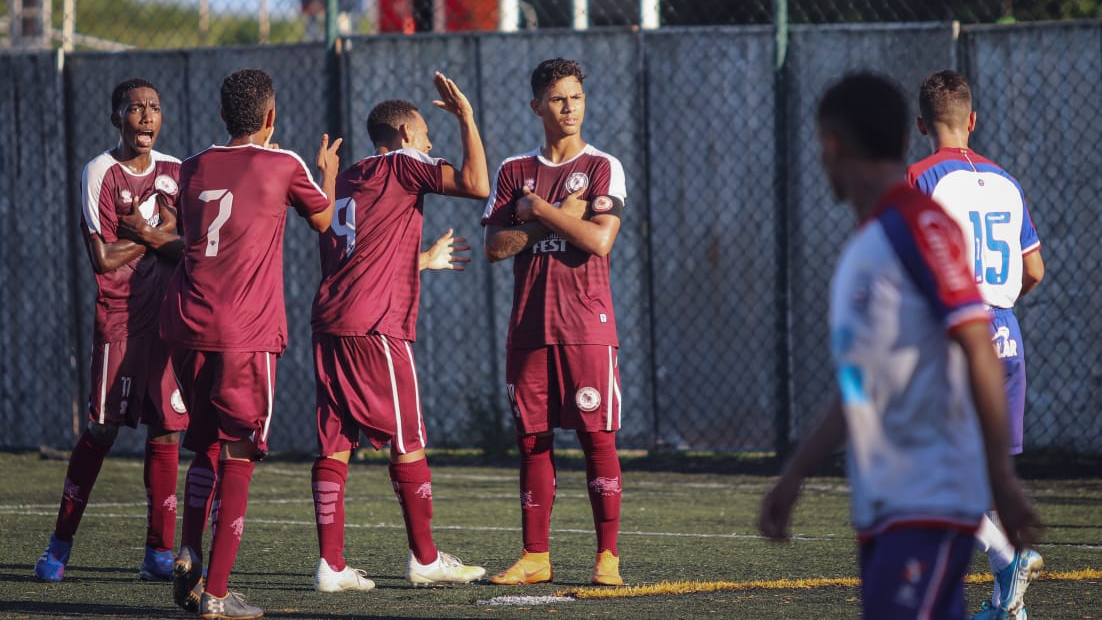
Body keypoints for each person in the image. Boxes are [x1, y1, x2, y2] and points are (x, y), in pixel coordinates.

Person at [757, 72, 1043, 620]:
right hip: (887, 499)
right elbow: (865, 378)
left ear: (834, 144)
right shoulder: (878, 238)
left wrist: (1003, 486)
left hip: (927, 501)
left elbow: (971, 338)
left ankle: (1005, 561)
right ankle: (1006, 580)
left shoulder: (917, 220)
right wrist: (796, 473)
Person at [160, 68, 342, 619]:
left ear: (223, 115)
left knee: (205, 445)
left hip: (185, 325)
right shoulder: (286, 164)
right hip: (245, 333)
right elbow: (324, 219)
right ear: (270, 117)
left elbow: (190, 231)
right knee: (240, 454)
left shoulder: (190, 168)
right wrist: (328, 173)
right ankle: (216, 594)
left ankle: (189, 549)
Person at [309, 72, 489, 592]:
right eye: (427, 133)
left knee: (335, 442)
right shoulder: (404, 163)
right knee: (407, 438)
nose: (432, 144)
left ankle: (332, 565)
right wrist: (466, 118)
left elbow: (354, 255)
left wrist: (419, 261)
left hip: (333, 322)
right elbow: (477, 185)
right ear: (407, 134)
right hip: (376, 327)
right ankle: (426, 559)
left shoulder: (347, 179)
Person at [482, 58, 627, 587]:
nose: (570, 108)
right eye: (559, 99)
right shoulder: (512, 171)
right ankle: (535, 556)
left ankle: (606, 557)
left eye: (577, 98)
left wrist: (539, 210)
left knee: (597, 439)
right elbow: (496, 247)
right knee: (531, 441)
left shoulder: (603, 165)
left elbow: (599, 240)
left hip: (587, 324)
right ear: (537, 105)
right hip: (529, 327)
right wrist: (562, 211)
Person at [35, 78, 186, 584]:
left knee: (167, 428)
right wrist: (159, 236)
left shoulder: (175, 172)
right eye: (135, 108)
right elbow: (102, 259)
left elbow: (184, 247)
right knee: (102, 429)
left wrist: (142, 233)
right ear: (116, 117)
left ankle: (158, 553)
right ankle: (59, 547)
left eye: (154, 107)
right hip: (119, 318)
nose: (146, 116)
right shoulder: (99, 172)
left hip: (167, 320)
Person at [907, 69, 1046, 620]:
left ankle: (1008, 557)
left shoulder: (920, 176)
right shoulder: (1007, 181)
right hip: (1006, 333)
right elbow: (1033, 268)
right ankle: (1006, 607)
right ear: (973, 120)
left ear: (921, 124)